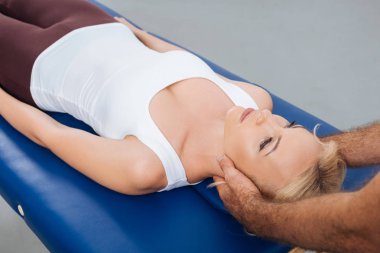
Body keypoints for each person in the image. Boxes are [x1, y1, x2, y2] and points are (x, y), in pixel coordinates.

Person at [0, 0, 344, 209]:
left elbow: (49, 133)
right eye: (287, 125)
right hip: (97, 25)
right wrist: (138, 32)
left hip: (37, 61)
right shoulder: (253, 99)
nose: (266, 119)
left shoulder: (148, 165)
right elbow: (186, 62)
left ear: (235, 182)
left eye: (267, 143)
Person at [215, 122, 380, 253]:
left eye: (265, 143)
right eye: (291, 125)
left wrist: (254, 211)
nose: (264, 114)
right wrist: (310, 149)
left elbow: (364, 229)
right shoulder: (259, 98)